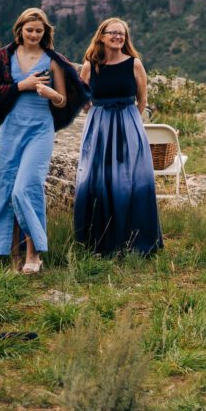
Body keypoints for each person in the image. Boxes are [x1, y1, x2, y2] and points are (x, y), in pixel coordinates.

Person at [0, 8, 88, 274]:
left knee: (25, 188)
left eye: (39, 31)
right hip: (10, 129)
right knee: (4, 189)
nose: (33, 35)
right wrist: (22, 86)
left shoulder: (52, 61)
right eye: (29, 30)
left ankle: (34, 254)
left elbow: (63, 100)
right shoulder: (5, 57)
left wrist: (52, 94)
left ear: (45, 33)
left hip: (40, 130)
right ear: (20, 30)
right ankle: (13, 255)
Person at [74, 18, 162, 257]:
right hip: (99, 128)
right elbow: (84, 100)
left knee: (130, 180)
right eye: (113, 33)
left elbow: (142, 100)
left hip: (128, 125)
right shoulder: (90, 66)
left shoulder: (134, 64)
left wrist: (129, 120)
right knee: (98, 181)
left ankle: (135, 242)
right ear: (101, 36)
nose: (118, 37)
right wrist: (99, 116)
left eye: (122, 34)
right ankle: (100, 243)